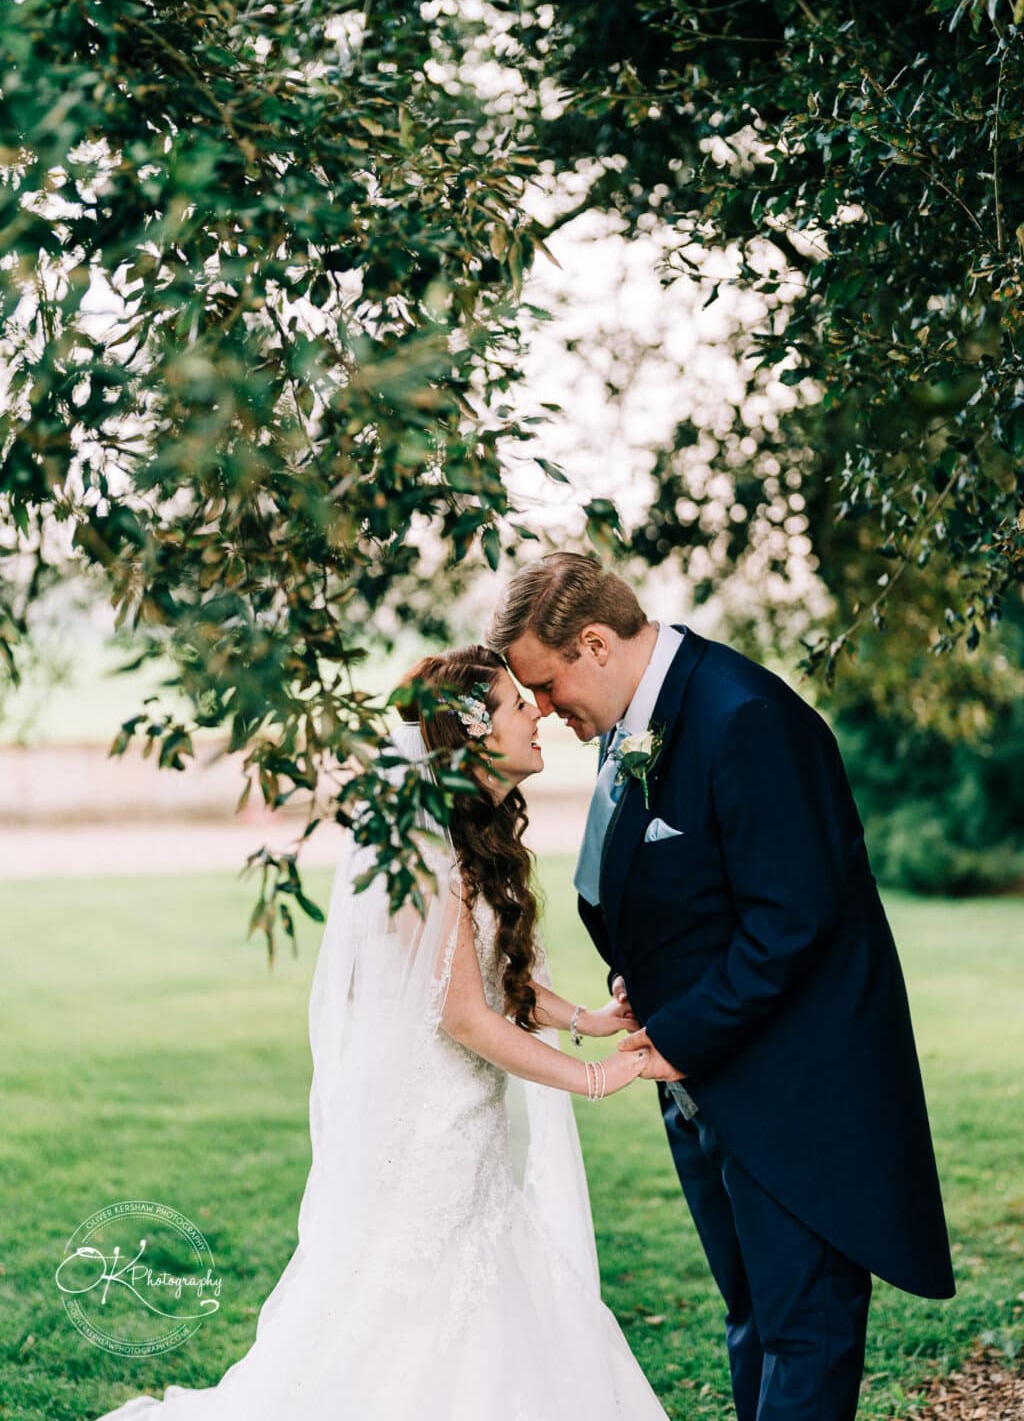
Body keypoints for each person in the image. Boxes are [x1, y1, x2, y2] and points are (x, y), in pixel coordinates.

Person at [92, 644, 670, 1421]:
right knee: (411, 1315)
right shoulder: (422, 855)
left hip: (471, 1134)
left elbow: (488, 975)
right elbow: (462, 1013)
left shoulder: (468, 838)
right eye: (515, 704)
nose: (536, 711)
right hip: (429, 1129)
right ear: (473, 737)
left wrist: (585, 1020)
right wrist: (594, 1077)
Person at [489, 551, 955, 1421]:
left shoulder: (746, 717)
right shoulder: (632, 723)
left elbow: (794, 920)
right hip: (706, 1084)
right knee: (755, 1319)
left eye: (545, 685)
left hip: (791, 1092)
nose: (542, 709)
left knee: (804, 1329)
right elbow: (675, 888)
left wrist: (677, 1036)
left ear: (596, 644)